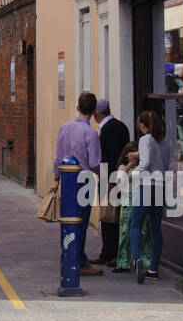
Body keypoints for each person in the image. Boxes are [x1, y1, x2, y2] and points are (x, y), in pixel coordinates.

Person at [55, 91, 103, 276]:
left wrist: (55, 178)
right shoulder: (91, 134)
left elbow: (58, 156)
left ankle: (67, 256)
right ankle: (80, 261)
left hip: (67, 181)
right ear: (94, 111)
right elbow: (95, 163)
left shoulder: (63, 128)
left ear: (77, 107)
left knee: (67, 219)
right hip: (84, 181)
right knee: (81, 222)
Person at [131, 110, 171, 283]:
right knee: (156, 228)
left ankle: (136, 258)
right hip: (161, 186)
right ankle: (154, 268)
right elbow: (167, 165)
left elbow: (145, 162)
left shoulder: (144, 139)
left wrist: (133, 172)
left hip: (147, 185)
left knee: (136, 225)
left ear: (142, 125)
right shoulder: (165, 142)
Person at [92, 99, 131, 266]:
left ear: (96, 114)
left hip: (111, 181)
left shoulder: (108, 130)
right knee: (113, 217)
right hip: (117, 178)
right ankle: (109, 252)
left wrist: (110, 181)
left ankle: (110, 254)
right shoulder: (119, 125)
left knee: (109, 218)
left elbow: (113, 157)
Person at [112, 143, 151, 273]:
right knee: (125, 231)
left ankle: (144, 260)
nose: (135, 157)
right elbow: (119, 182)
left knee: (143, 230)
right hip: (126, 200)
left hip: (139, 199)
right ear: (127, 155)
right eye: (132, 154)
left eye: (137, 154)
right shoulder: (123, 167)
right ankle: (123, 261)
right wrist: (126, 170)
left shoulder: (142, 168)